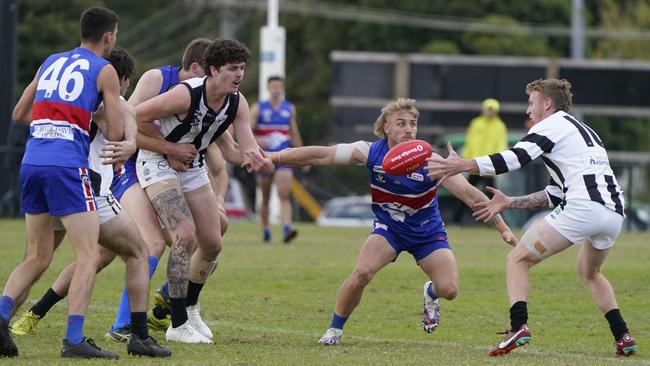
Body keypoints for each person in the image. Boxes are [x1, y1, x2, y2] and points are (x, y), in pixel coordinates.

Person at [264, 98, 517, 345]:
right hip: (390, 229)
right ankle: (334, 329)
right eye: (401, 123)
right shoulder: (370, 151)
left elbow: (471, 195)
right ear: (387, 127)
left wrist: (502, 228)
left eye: (412, 124)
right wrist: (273, 158)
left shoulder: (431, 161)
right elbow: (321, 155)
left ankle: (430, 293)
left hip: (427, 233)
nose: (408, 129)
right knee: (362, 272)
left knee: (449, 289)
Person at [425, 79, 637, 357]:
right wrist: (510, 202)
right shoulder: (585, 132)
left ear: (546, 104)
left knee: (517, 259)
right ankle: (623, 337)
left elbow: (517, 158)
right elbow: (555, 192)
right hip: (613, 212)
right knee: (589, 272)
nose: (528, 111)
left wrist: (465, 164)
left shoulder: (550, 125)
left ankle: (519, 327)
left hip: (584, 208)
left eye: (531, 103)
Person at [9, 48, 171, 358]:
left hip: (46, 172)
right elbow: (118, 124)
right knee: (126, 252)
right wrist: (131, 137)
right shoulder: (105, 96)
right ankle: (128, 334)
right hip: (83, 186)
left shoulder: (61, 80)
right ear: (120, 79)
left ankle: (18, 318)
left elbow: (20, 113)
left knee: (40, 257)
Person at [0, 7, 124, 359]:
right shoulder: (105, 70)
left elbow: (19, 114)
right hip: (67, 165)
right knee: (88, 254)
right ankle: (74, 339)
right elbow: (114, 133)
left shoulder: (52, 60)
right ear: (109, 37)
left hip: (33, 159)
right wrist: (94, 113)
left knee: (38, 256)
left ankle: (0, 315)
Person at [135, 38, 271, 344]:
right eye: (232, 69)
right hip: (156, 162)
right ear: (212, 70)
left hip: (193, 166)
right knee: (185, 235)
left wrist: (261, 159)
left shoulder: (237, 102)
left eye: (242, 68)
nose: (239, 75)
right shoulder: (184, 95)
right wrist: (169, 148)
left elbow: (240, 151)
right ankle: (177, 323)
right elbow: (135, 116)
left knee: (212, 243)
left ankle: (191, 306)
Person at [250, 76, 305, 243]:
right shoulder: (258, 108)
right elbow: (247, 132)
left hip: (283, 158)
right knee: (265, 197)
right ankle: (266, 229)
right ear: (268, 88)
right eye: (274, 86)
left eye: (279, 86)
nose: (277, 89)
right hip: (264, 158)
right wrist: (260, 141)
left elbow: (293, 132)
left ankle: (287, 228)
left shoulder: (289, 108)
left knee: (283, 194)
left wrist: (303, 155)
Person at [452, 98, 507, 223]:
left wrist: (497, 162)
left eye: (492, 110)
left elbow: (501, 144)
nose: (490, 112)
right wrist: (467, 160)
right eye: (488, 109)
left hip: (488, 166)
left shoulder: (499, 126)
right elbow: (470, 142)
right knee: (465, 193)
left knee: (494, 196)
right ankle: (456, 221)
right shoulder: (476, 123)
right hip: (474, 166)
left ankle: (499, 221)